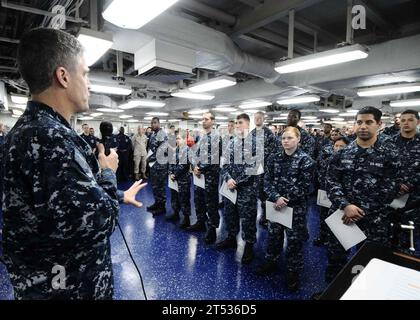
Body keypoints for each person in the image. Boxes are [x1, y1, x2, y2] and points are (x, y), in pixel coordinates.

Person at [2, 28, 146, 300]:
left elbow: (57, 201)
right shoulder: (51, 140)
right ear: (63, 77)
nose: (89, 84)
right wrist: (108, 172)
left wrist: (117, 195)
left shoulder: (29, 131)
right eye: (86, 73)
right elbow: (100, 221)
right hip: (70, 288)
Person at [324, 106, 401, 283]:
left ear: (379, 124)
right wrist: (346, 206)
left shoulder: (389, 154)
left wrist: (358, 211)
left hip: (373, 220)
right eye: (359, 122)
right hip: (341, 217)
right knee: (335, 260)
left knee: (369, 263)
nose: (363, 126)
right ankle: (333, 292)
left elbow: (391, 188)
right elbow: (331, 181)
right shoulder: (342, 152)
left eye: (369, 122)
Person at [256, 126, 314, 292]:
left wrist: (284, 199)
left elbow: (304, 186)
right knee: (273, 235)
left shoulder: (306, 160)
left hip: (295, 209)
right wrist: (276, 197)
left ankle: (293, 271)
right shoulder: (274, 158)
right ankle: (271, 261)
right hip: (276, 205)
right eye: (283, 138)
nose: (286, 141)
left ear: (298, 139)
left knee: (294, 241)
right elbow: (267, 181)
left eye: (290, 138)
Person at [216, 114, 258, 264]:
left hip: (247, 189)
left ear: (247, 124)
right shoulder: (231, 143)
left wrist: (236, 182)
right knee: (230, 214)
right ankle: (231, 238)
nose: (237, 125)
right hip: (230, 188)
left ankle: (249, 245)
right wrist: (228, 179)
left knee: (248, 219)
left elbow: (254, 168)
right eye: (236, 123)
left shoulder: (255, 144)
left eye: (240, 123)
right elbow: (224, 164)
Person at [188, 112, 221, 245]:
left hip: (210, 176)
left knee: (211, 203)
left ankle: (212, 229)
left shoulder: (216, 137)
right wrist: (195, 165)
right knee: (199, 199)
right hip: (199, 175)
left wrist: (199, 168)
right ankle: (201, 222)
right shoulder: (202, 137)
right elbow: (195, 153)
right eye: (202, 119)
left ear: (212, 121)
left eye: (206, 119)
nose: (203, 121)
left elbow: (213, 158)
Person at [390, 110, 420, 256]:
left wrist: (409, 184)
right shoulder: (389, 142)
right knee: (389, 229)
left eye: (410, 120)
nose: (406, 123)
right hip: (391, 193)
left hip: (415, 198)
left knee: (410, 231)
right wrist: (396, 184)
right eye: (403, 120)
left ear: (418, 122)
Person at [313, 136, 349, 247]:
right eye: (336, 146)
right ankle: (322, 236)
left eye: (341, 146)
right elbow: (318, 168)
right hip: (325, 191)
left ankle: (334, 240)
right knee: (323, 216)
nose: (338, 148)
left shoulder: (348, 159)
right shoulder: (327, 157)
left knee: (337, 218)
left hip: (340, 195)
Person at [250, 111, 278, 228]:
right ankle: (253, 214)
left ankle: (266, 215)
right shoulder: (251, 133)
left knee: (264, 193)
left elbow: (272, 151)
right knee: (253, 191)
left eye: (259, 118)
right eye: (255, 118)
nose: (257, 120)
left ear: (263, 119)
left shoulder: (269, 133)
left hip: (264, 168)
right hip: (253, 168)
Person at [167, 131, 191, 229]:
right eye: (176, 138)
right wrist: (170, 173)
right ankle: (175, 213)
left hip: (183, 179)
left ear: (185, 140)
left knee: (184, 198)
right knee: (174, 196)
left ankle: (186, 218)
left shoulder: (187, 150)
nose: (177, 140)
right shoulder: (175, 150)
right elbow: (170, 163)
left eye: (179, 138)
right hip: (174, 178)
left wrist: (175, 174)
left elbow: (183, 165)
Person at [146, 117, 168, 216]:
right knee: (154, 185)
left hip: (161, 165)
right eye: (152, 123)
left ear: (159, 123)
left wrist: (150, 158)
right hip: (154, 165)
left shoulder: (162, 134)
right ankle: (157, 202)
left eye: (155, 123)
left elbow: (162, 151)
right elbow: (151, 148)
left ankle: (162, 207)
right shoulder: (153, 134)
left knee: (160, 186)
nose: (153, 124)